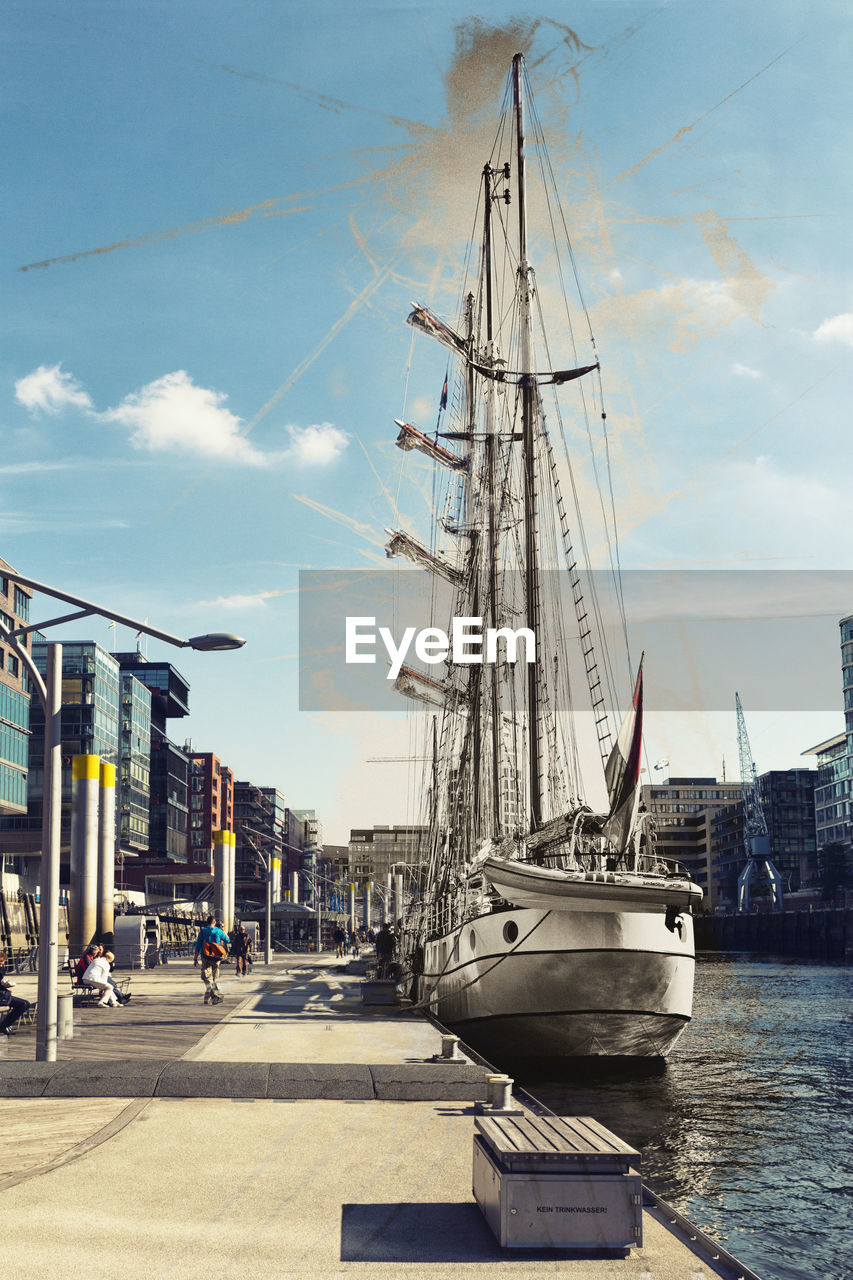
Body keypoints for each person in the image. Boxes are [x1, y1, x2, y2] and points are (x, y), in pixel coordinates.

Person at [193, 914, 230, 1004]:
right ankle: (211, 997)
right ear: (214, 922)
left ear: (207, 922)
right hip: (217, 957)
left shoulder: (202, 931)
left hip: (205, 957)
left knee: (206, 977)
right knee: (213, 978)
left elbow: (198, 946)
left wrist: (195, 958)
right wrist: (223, 931)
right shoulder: (218, 931)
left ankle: (212, 996)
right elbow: (227, 940)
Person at [0, 950, 32, 1036]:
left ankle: (4, 1025)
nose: (1, 965)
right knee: (23, 1005)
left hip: (3, 995)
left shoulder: (1, 968)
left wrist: (5, 984)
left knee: (26, 1004)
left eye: (3, 963)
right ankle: (3, 1026)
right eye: (0, 962)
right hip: (1, 996)